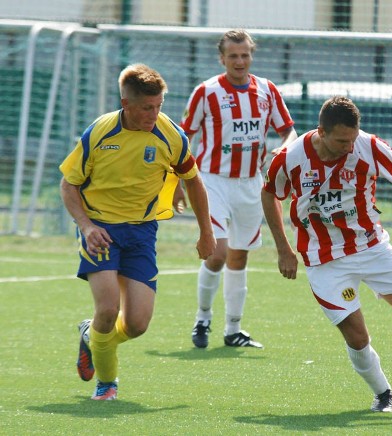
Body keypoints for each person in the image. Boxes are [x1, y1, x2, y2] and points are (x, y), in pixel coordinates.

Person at [261, 96, 392, 413]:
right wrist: (283, 248)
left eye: (353, 139)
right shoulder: (290, 158)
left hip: (372, 246)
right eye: (341, 141)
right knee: (357, 335)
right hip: (325, 261)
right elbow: (269, 195)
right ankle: (383, 393)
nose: (350, 147)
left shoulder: (368, 146)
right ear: (321, 132)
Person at [59, 63, 216, 400]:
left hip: (142, 232)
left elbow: (193, 180)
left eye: (159, 106)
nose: (154, 114)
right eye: (147, 107)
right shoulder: (100, 132)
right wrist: (86, 226)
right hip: (100, 229)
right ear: (126, 103)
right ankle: (107, 383)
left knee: (137, 324)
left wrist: (206, 232)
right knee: (107, 309)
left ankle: (92, 337)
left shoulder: (170, 134)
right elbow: (68, 185)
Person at [177, 28, 297, 349]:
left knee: (239, 257)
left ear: (251, 56)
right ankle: (202, 319)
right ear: (222, 58)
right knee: (217, 254)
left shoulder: (267, 90)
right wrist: (177, 181)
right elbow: (183, 138)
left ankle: (233, 330)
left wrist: (282, 149)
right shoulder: (207, 92)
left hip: (250, 185)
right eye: (233, 56)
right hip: (211, 180)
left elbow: (289, 130)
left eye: (245, 55)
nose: (240, 61)